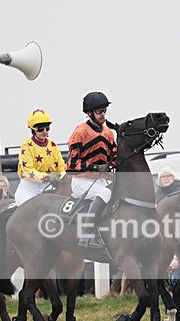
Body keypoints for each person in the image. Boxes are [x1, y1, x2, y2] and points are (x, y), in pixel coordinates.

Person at [66, 91, 117, 249]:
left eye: (104, 111)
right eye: (99, 111)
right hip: (81, 181)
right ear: (89, 113)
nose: (103, 115)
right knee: (105, 194)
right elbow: (71, 166)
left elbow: (114, 157)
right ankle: (86, 234)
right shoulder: (80, 132)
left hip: (100, 181)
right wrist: (95, 167)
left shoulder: (108, 133)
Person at [13, 109, 65, 206]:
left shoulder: (53, 145)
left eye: (47, 128)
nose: (45, 131)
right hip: (29, 190)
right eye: (40, 129)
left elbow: (61, 167)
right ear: (33, 129)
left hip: (50, 188)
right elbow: (28, 171)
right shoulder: (27, 145)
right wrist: (48, 177)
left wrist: (62, 177)